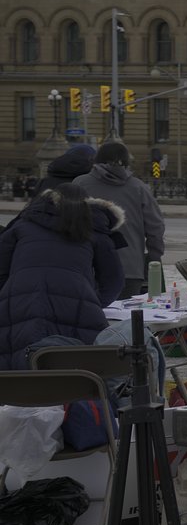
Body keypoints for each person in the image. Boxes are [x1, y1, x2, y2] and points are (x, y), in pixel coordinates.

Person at [0, 184, 124, 371]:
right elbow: (113, 281)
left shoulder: (23, 225)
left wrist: (11, 295)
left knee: (19, 358)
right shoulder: (94, 230)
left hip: (18, 303)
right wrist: (90, 301)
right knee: (73, 363)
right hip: (78, 308)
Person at [73, 141, 166, 299]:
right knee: (126, 312)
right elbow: (155, 227)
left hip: (88, 265)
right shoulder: (139, 188)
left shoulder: (80, 184)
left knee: (91, 311)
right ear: (127, 161)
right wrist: (153, 257)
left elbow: (68, 222)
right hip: (130, 268)